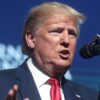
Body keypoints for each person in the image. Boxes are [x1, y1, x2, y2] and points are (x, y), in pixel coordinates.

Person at [0, 1, 99, 100]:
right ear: (31, 39)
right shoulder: (2, 84)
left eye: (72, 34)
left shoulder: (92, 96)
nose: (66, 40)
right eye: (56, 31)